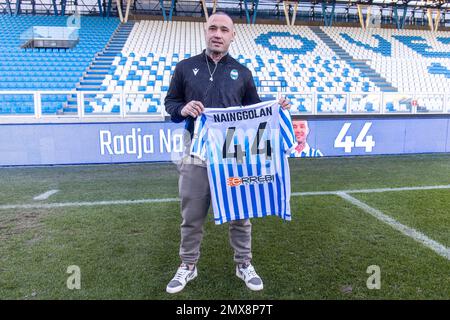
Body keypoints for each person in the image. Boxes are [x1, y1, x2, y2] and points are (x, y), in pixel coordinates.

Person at [164, 11, 290, 294]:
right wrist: (181, 109)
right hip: (194, 153)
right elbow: (170, 103)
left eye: (223, 29)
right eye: (212, 28)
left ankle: (243, 263)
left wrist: (276, 110)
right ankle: (188, 265)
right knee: (192, 214)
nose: (217, 34)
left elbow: (254, 113)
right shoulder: (185, 67)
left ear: (233, 35)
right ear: (205, 32)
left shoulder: (243, 73)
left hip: (234, 157)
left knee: (240, 212)